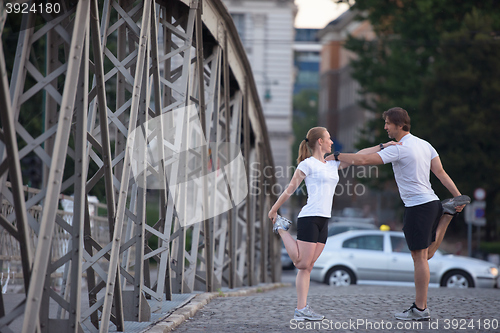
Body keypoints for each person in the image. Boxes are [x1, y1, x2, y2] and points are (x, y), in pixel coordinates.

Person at [328, 107, 470, 321]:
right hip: (431, 203)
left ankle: (420, 310)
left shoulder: (399, 148)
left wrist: (337, 156)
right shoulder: (424, 144)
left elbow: (364, 161)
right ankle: (446, 215)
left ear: (400, 125)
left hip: (418, 207)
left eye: (387, 123)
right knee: (425, 256)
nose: (385, 127)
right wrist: (458, 196)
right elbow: (440, 173)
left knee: (420, 258)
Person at [268, 126, 398, 321]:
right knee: (302, 263)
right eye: (328, 138)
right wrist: (274, 209)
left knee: (308, 266)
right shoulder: (307, 164)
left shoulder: (332, 163)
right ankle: (281, 229)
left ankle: (301, 309)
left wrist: (382, 146)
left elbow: (358, 155)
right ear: (319, 141)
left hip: (324, 219)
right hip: (309, 217)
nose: (331, 142)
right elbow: (290, 188)